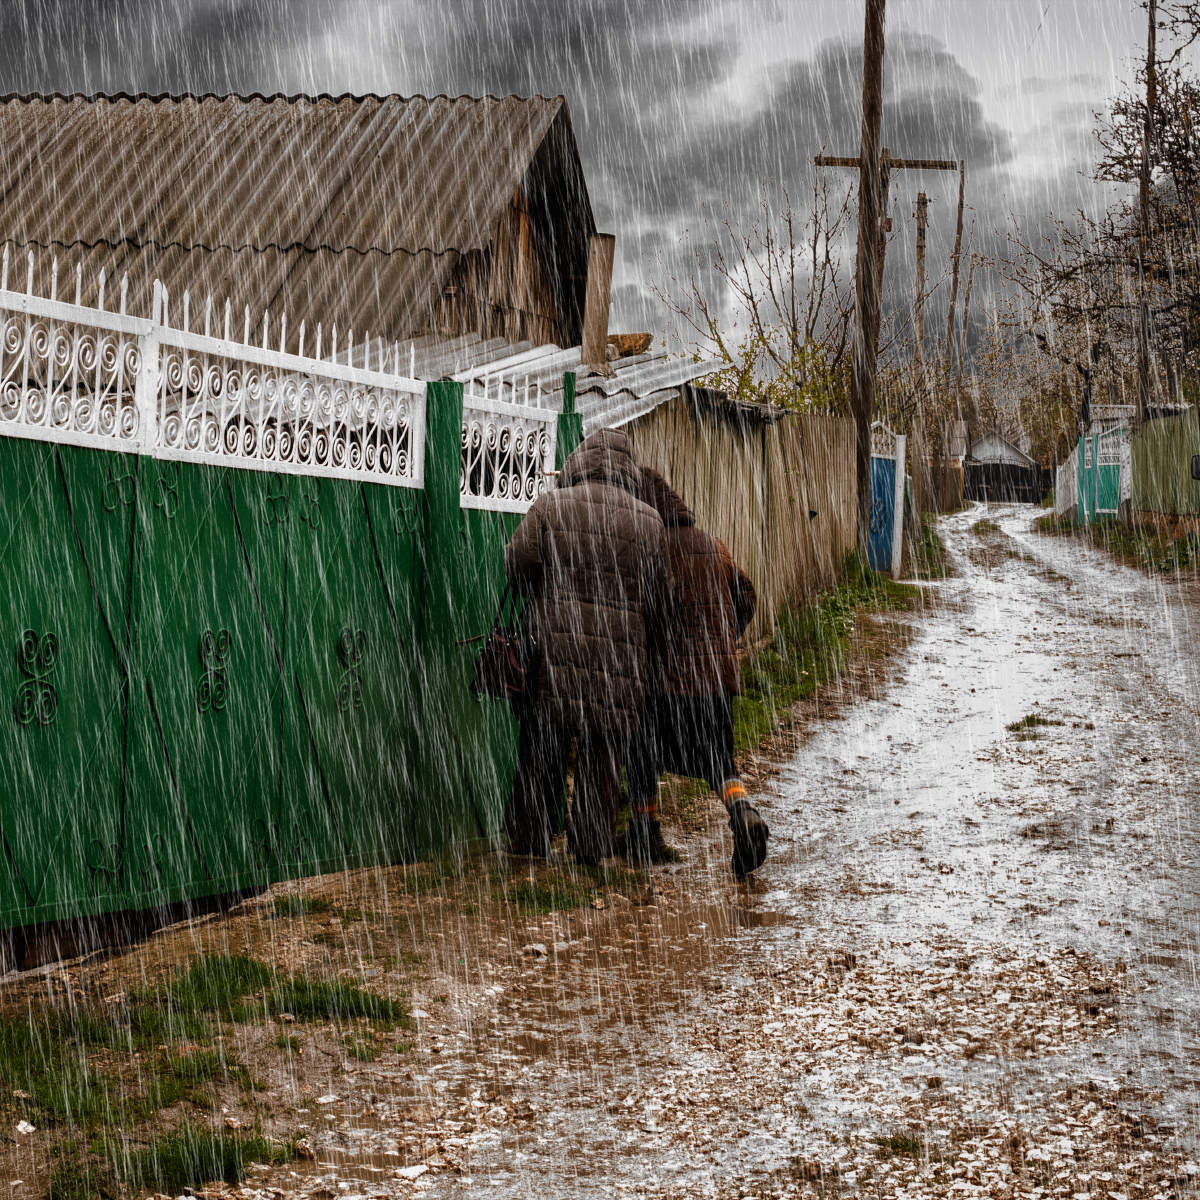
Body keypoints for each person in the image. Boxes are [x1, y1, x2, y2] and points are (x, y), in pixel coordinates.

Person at [503, 430, 668, 866]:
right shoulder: (650, 522)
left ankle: (529, 841)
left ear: (579, 462)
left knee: (543, 747)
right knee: (603, 753)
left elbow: (516, 564)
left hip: (556, 654)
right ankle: (590, 848)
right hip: (619, 663)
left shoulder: (551, 506)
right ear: (628, 468)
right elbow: (659, 599)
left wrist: (545, 586)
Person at [626, 467, 769, 877]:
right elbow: (747, 594)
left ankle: (644, 834)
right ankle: (742, 810)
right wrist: (725, 639)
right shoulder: (713, 545)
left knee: (643, 753)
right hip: (714, 679)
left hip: (665, 682)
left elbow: (643, 614)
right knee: (718, 757)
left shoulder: (653, 550)